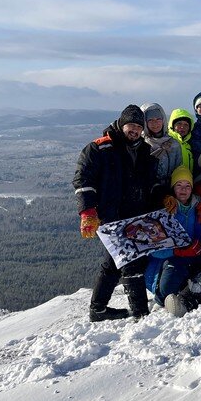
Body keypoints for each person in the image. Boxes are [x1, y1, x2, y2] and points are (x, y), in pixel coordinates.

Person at [73, 105, 162, 322]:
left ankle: (98, 308)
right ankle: (141, 313)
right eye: (131, 125)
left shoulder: (143, 150)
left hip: (135, 215)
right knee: (130, 260)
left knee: (113, 263)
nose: (134, 130)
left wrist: (161, 198)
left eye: (139, 127)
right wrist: (87, 211)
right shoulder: (100, 148)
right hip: (110, 216)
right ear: (122, 124)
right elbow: (83, 180)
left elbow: (151, 183)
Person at [144, 166, 201, 317]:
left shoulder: (199, 208)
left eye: (187, 186)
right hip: (171, 260)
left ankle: (188, 296)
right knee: (166, 288)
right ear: (173, 187)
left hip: (195, 258)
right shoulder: (164, 210)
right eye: (179, 185)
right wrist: (177, 251)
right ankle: (170, 298)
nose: (183, 190)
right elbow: (153, 249)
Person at [140, 102, 182, 187]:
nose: (155, 123)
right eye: (150, 120)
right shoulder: (141, 145)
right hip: (148, 191)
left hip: (170, 189)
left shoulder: (174, 144)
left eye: (158, 119)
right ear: (145, 122)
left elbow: (178, 169)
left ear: (163, 120)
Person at [168, 108, 196, 172]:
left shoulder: (188, 146)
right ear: (172, 125)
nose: (182, 127)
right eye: (179, 123)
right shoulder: (167, 142)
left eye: (186, 125)